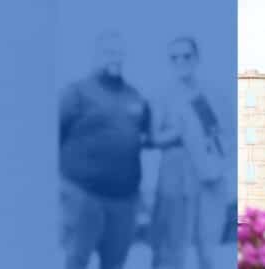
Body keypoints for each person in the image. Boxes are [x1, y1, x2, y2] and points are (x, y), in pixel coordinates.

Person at [58, 31, 151, 269]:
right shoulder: (76, 92)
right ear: (96, 55)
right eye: (108, 52)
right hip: (83, 196)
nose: (114, 58)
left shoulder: (135, 96)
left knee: (115, 264)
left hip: (125, 201)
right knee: (77, 260)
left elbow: (147, 138)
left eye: (119, 53)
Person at [147, 37, 228, 269]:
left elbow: (219, 135)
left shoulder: (210, 93)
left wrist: (218, 166)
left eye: (186, 56)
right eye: (174, 58)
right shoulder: (162, 95)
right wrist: (179, 132)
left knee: (207, 246)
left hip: (208, 174)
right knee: (172, 247)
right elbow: (153, 138)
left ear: (196, 58)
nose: (180, 61)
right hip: (176, 173)